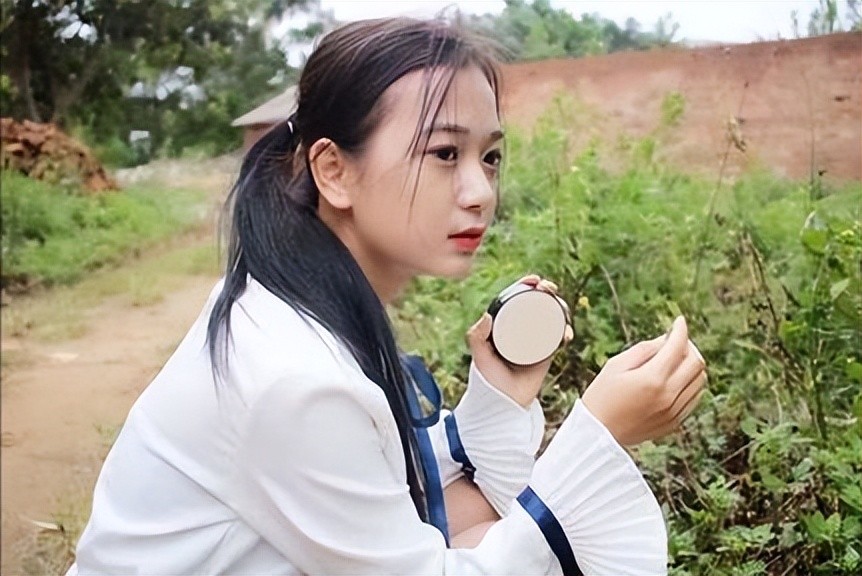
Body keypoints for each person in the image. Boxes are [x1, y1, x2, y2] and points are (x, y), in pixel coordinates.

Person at [68, 17, 706, 575]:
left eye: (490, 157)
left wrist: (502, 396)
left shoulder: (297, 299)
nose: (480, 192)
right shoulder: (293, 378)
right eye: (445, 153)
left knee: (479, 520)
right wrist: (600, 435)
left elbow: (385, 486)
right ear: (333, 171)